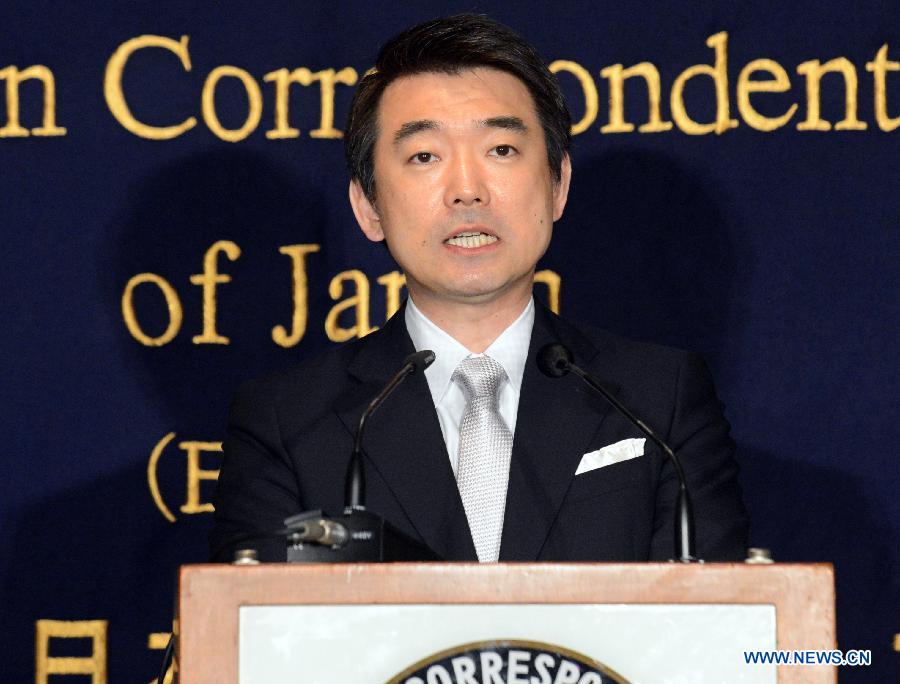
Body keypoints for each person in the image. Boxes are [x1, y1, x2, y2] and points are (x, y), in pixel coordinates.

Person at [210, 14, 748, 563]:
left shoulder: (658, 400)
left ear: (558, 185)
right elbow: (253, 636)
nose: (467, 191)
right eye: (424, 157)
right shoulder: (290, 421)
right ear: (368, 208)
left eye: (501, 151)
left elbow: (715, 626)